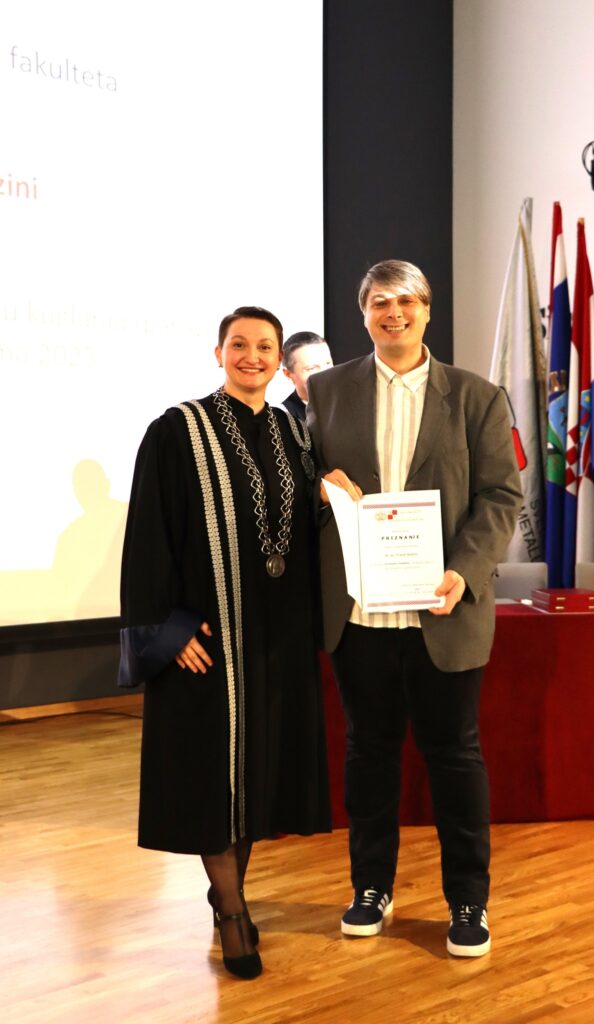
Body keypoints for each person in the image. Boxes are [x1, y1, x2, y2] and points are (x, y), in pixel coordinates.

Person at [306, 260, 522, 958]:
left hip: (445, 609)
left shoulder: (476, 395)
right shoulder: (325, 391)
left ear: (427, 310)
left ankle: (468, 901)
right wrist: (320, 485)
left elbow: (501, 497)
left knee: (454, 757)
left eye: (405, 301)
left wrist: (465, 571)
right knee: (368, 755)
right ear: (362, 313)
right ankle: (371, 888)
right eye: (378, 302)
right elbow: (303, 478)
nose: (392, 313)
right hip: (359, 615)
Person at [118, 306, 330, 980]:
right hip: (206, 638)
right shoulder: (177, 429)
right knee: (213, 777)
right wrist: (167, 629)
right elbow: (148, 537)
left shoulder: (295, 434)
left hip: (275, 637)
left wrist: (333, 500)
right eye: (239, 344)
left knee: (254, 778)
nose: (252, 356)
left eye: (265, 346)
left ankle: (229, 892)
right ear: (219, 353)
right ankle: (233, 912)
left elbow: (301, 531)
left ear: (280, 361)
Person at [281, 331, 333, 420]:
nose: (325, 373)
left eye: (328, 363)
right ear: (288, 374)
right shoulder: (281, 420)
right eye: (311, 368)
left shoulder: (352, 402)